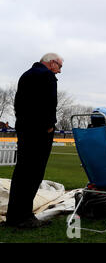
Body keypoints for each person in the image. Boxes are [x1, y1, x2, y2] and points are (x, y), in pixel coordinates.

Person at [6, 53, 63, 228]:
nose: (59, 71)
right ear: (52, 63)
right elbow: (49, 102)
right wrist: (48, 125)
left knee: (22, 172)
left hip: (24, 128)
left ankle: (14, 216)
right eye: (59, 66)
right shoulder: (47, 76)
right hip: (39, 131)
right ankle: (24, 217)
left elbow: (17, 103)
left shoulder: (26, 75)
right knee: (33, 173)